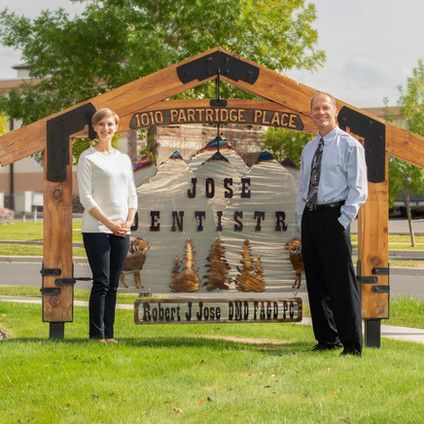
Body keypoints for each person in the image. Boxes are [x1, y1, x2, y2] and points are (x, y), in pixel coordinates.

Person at [296, 92, 368, 356]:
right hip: (311, 217)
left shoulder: (350, 146)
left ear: (335, 111)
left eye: (325, 108)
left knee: (341, 282)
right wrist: (300, 221)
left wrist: (343, 220)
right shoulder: (309, 148)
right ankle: (327, 339)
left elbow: (358, 188)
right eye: (316, 109)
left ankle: (352, 344)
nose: (320, 113)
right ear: (311, 113)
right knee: (316, 281)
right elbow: (303, 189)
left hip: (333, 217)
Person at [77, 108, 137, 344]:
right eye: (101, 124)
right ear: (94, 127)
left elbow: (132, 195)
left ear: (116, 127)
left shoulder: (123, 159)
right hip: (97, 229)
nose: (105, 128)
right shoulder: (88, 158)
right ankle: (96, 335)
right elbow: (85, 198)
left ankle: (109, 334)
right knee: (100, 281)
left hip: (122, 229)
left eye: (110, 124)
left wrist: (128, 222)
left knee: (113, 283)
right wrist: (110, 223)